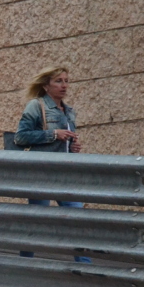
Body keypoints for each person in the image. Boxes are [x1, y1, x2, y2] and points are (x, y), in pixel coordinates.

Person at [12, 66, 90, 262]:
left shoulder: (69, 112)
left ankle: (85, 266)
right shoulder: (36, 106)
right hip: (41, 175)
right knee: (36, 224)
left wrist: (73, 146)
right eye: (58, 81)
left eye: (66, 81)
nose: (64, 85)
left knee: (77, 219)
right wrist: (54, 134)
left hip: (65, 174)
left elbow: (65, 143)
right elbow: (20, 137)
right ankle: (25, 262)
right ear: (46, 86)